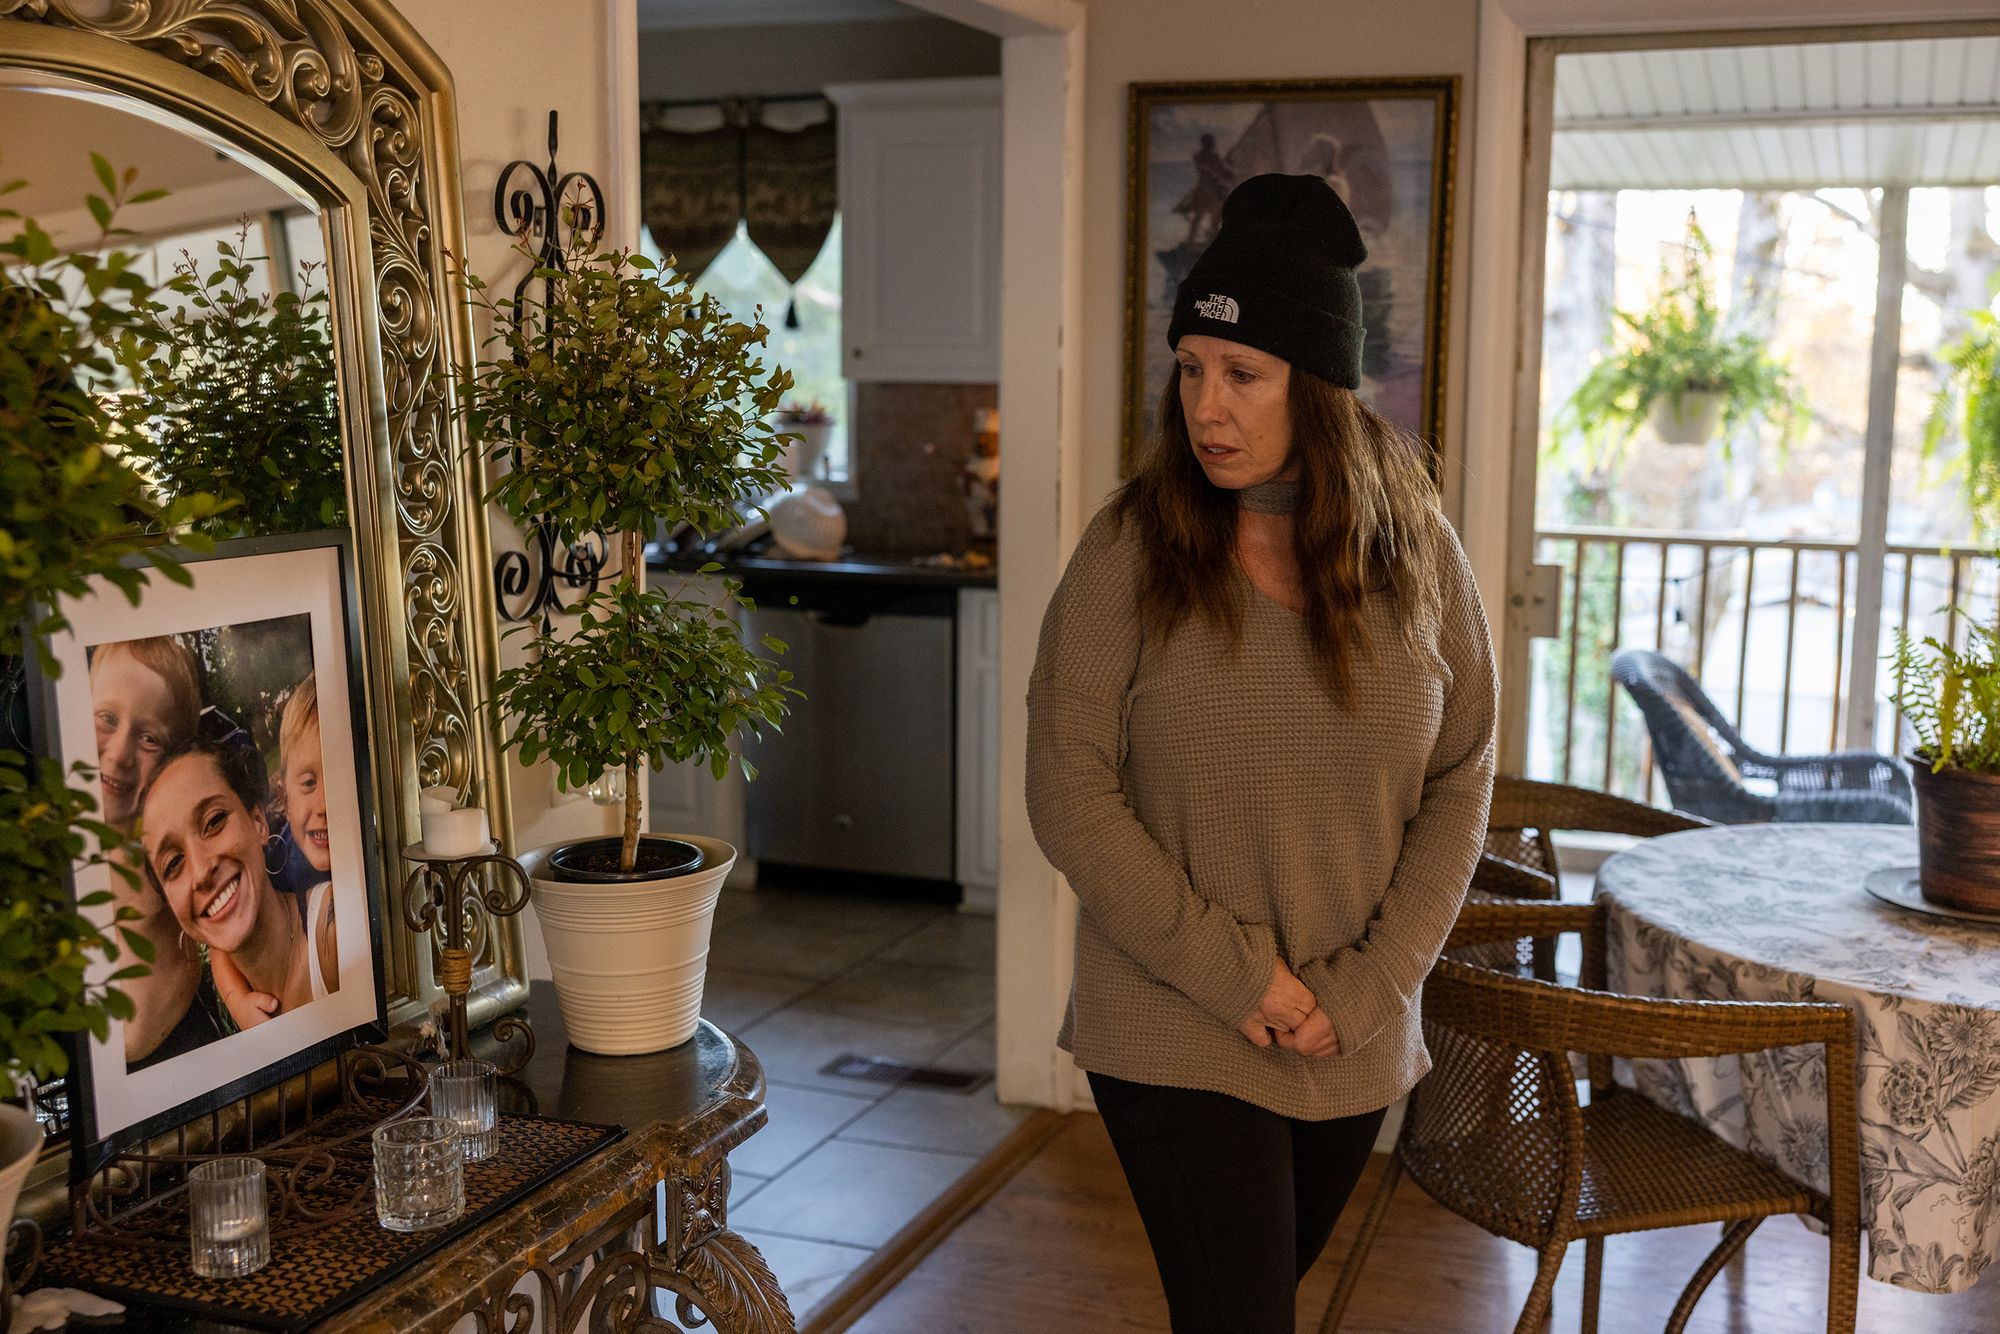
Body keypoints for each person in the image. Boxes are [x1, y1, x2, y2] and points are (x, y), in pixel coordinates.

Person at [1026, 174, 1497, 1333]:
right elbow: (1067, 791)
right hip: (1177, 1016)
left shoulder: (1416, 551)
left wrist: (1371, 983)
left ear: (1317, 385)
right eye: (1189, 368)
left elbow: (1461, 770)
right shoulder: (1128, 547)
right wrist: (1246, 980)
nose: (1205, 404)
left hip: (1347, 1024)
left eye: (1241, 374)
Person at [137, 735, 339, 1029]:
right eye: (173, 864)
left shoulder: (337, 935)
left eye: (213, 821)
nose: (202, 870)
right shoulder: (224, 1001)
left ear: (258, 822)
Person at [87, 636, 219, 1068]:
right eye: (106, 718)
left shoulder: (172, 854)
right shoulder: (55, 846)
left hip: (179, 1050)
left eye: (148, 739)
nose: (121, 753)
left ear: (172, 759)